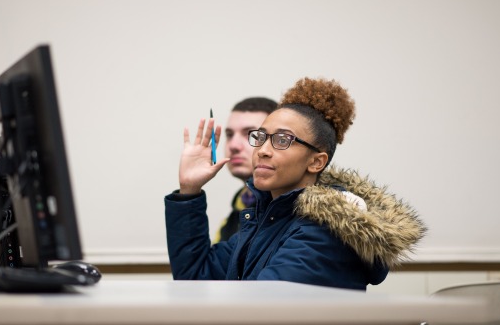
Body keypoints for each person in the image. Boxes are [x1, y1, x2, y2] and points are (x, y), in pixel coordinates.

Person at [164, 77, 425, 290]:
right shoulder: (267, 220)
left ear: (316, 162)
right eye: (261, 137)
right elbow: (194, 280)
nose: (263, 150)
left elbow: (259, 311)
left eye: (282, 140)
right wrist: (189, 191)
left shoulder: (326, 230)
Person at [215, 97, 278, 243]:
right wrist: (190, 192)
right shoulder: (231, 219)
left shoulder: (300, 216)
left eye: (251, 134)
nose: (233, 146)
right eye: (230, 135)